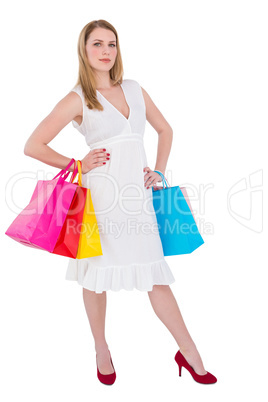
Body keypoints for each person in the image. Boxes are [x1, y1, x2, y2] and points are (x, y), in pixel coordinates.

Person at [24, 19, 217, 385]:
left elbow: (165, 129)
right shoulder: (77, 97)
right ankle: (101, 349)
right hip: (102, 197)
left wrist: (158, 173)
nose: (106, 51)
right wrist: (77, 164)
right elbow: (33, 145)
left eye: (111, 44)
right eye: (97, 44)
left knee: (155, 273)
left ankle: (189, 351)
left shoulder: (133, 88)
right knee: (96, 276)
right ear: (84, 50)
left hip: (138, 197)